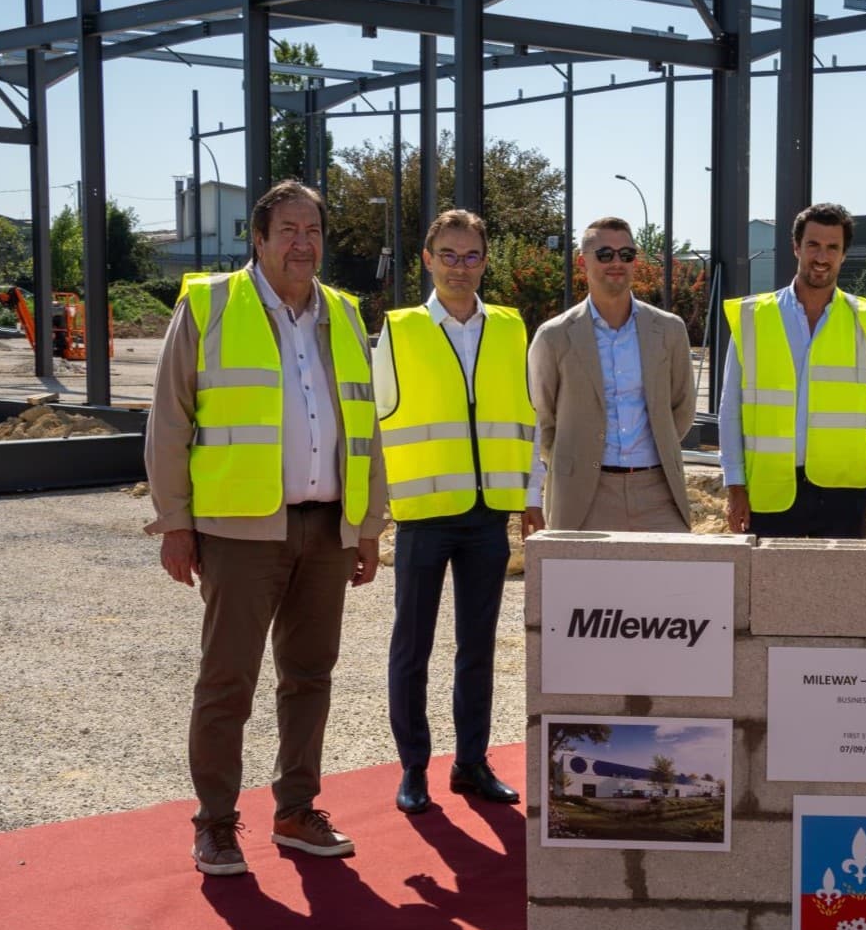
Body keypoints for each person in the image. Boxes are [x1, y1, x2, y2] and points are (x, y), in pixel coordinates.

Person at [146, 180, 386, 877]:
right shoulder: (211, 304)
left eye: (312, 229)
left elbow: (365, 428)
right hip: (241, 530)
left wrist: (366, 525)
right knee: (228, 681)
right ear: (258, 237)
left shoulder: (342, 313)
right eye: (288, 229)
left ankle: (295, 810)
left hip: (325, 528)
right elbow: (169, 418)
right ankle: (215, 823)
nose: (302, 243)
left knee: (310, 675)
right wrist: (174, 522)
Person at [373, 209, 537, 815]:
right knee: (411, 647)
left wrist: (530, 497)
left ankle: (471, 763)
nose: (460, 267)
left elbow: (531, 421)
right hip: (422, 515)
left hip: (488, 515)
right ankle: (413, 767)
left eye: (471, 256)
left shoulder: (512, 329)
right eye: (449, 255)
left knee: (478, 647)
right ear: (427, 258)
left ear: (485, 261)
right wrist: (373, 512)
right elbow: (374, 423)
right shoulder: (398, 330)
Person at [720, 202, 866, 538]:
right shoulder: (753, 317)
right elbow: (731, 410)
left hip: (845, 493)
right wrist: (735, 485)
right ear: (796, 247)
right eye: (813, 245)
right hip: (770, 492)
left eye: (833, 247)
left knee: (839, 590)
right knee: (771, 590)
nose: (821, 257)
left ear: (843, 254)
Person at [528, 216, 695, 532]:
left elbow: (682, 408)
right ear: (582, 262)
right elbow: (543, 419)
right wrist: (576, 460)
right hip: (582, 496)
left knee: (671, 581)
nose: (616, 262)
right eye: (605, 254)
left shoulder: (670, 330)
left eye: (626, 254)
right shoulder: (554, 336)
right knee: (580, 583)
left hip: (659, 493)